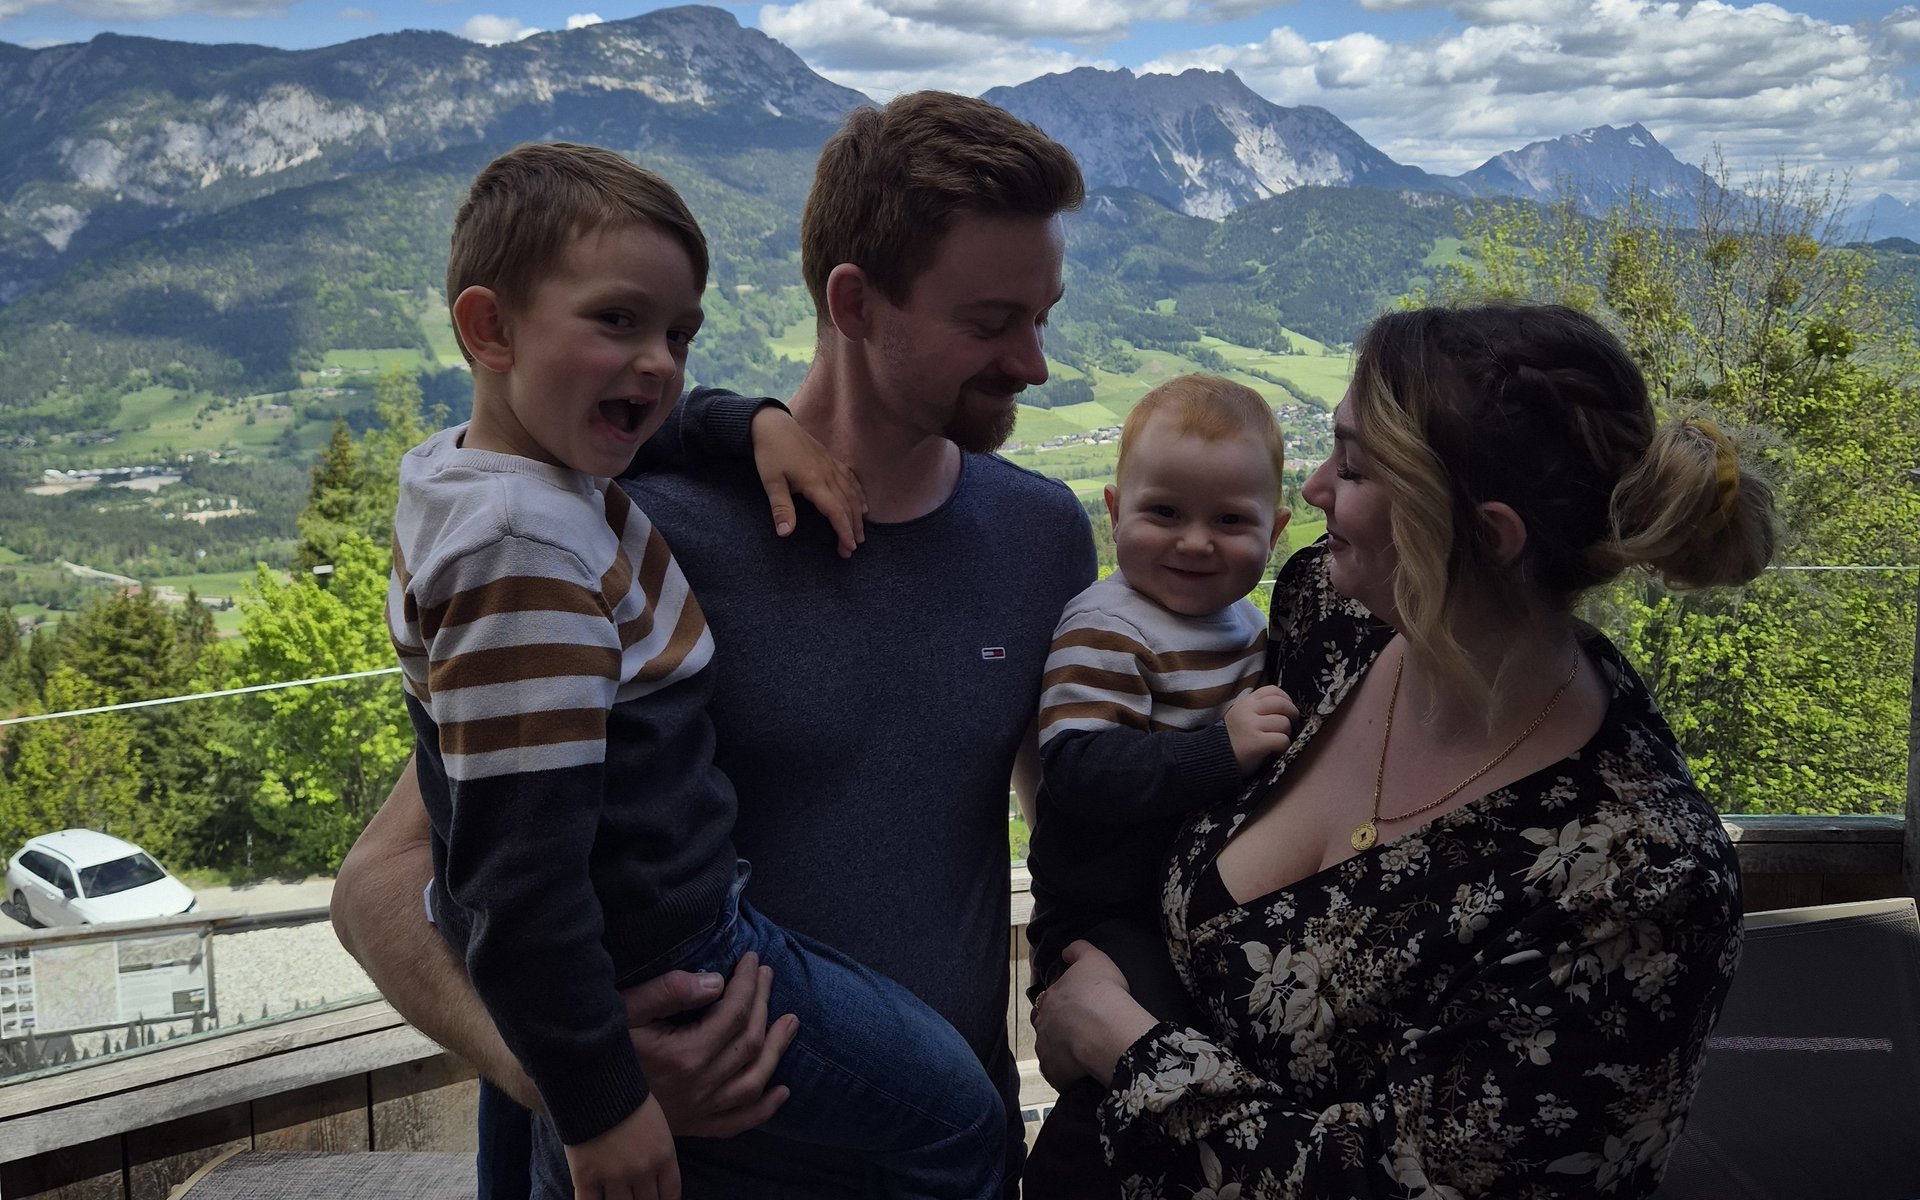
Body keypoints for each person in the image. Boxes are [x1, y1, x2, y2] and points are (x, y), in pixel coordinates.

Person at [332, 91, 1096, 1199]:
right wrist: (574, 1083)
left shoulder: (1040, 534)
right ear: (854, 302)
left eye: (1045, 317)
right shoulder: (626, 533)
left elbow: (1071, 823)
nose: (1033, 363)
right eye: (990, 322)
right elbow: (387, 878)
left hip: (933, 1157)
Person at [1030, 303, 1775, 1198]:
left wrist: (1121, 1043)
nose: (1312, 490)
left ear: (1486, 535)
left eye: (1351, 467)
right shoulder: (1332, 619)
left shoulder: (1636, 882)